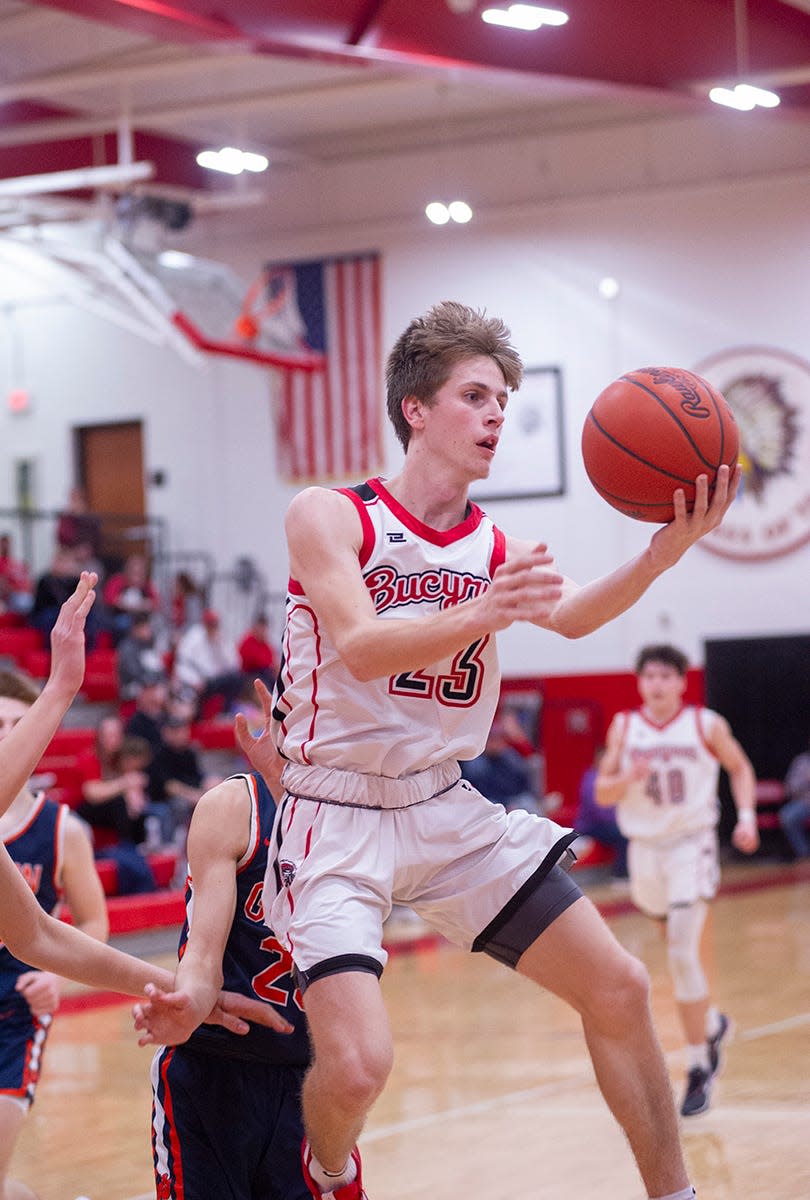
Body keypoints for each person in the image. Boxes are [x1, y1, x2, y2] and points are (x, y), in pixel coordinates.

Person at [260, 300, 741, 1200]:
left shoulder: (495, 544)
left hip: (444, 806)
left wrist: (661, 556)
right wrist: (488, 608)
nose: (496, 415)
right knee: (360, 1067)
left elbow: (569, 617)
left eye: (504, 400)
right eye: (476, 395)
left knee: (622, 988)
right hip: (333, 812)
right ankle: (328, 1172)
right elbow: (362, 645)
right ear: (416, 408)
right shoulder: (330, 515)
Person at [0, 576, 298, 1069]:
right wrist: (57, 691)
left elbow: (38, 935)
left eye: (15, 724)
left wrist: (193, 996)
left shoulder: (57, 826)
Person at [132, 679, 312, 1200]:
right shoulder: (234, 806)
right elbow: (204, 953)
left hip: (309, 1076)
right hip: (213, 1069)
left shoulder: (359, 817)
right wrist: (188, 998)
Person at [595, 643, 758, 1118]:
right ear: (640, 682)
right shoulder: (625, 728)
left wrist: (745, 817)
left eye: (666, 676)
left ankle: (699, 1066)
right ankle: (710, 1021)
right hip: (645, 851)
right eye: (649, 677)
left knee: (684, 953)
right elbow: (603, 792)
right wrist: (627, 776)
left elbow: (741, 767)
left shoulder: (706, 724)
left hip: (692, 846)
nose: (657, 685)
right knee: (675, 950)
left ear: (682, 682)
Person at [0, 665, 109, 1200]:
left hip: (13, 1017)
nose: (7, 736)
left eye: (18, 724)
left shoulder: (62, 828)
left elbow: (95, 924)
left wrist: (55, 981)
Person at [76, 716, 157, 894]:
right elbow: (91, 793)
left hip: (111, 823)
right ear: (99, 737)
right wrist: (126, 785)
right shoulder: (89, 757)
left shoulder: (119, 761)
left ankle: (138, 843)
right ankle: (129, 844)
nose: (113, 740)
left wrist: (133, 792)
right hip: (84, 817)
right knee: (120, 800)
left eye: (117, 735)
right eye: (109, 735)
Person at [460, 713, 540, 812]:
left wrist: (512, 803)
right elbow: (479, 791)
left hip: (513, 799)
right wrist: (505, 804)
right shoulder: (474, 763)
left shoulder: (510, 757)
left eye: (499, 739)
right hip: (488, 800)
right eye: (492, 740)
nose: (496, 743)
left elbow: (522, 783)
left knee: (528, 803)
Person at [173, 608, 243, 716]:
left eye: (215, 624)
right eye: (210, 624)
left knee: (236, 678)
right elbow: (183, 663)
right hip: (196, 680)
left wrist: (219, 645)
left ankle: (225, 713)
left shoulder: (222, 638)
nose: (212, 627)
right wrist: (194, 681)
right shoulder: (193, 637)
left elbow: (235, 664)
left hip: (214, 679)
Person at [574, 746, 629, 880]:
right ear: (599, 760)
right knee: (622, 833)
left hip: (605, 823)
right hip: (590, 827)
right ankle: (620, 875)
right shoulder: (592, 779)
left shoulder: (613, 779)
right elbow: (600, 812)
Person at [102, 552, 160, 644]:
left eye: (140, 572)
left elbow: (155, 603)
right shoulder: (117, 581)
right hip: (120, 618)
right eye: (134, 572)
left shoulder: (147, 585)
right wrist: (128, 605)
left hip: (143, 620)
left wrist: (144, 605)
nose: (136, 577)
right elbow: (110, 599)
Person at [116, 611, 169, 701]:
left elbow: (159, 668)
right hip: (132, 686)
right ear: (136, 629)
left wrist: (161, 682)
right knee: (158, 694)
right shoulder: (127, 648)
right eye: (146, 628)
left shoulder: (150, 644)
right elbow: (135, 674)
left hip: (151, 683)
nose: (149, 631)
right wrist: (154, 684)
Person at [778, 738, 810, 859]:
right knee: (787, 816)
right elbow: (789, 788)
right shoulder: (801, 762)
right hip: (804, 803)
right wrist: (805, 781)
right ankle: (804, 854)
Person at [238, 612, 278, 691]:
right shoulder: (248, 641)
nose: (262, 631)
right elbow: (252, 661)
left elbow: (273, 663)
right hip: (249, 675)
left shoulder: (266, 644)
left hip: (263, 674)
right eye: (261, 627)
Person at [0, 533, 33, 615]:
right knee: (24, 603)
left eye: (7, 544)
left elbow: (28, 580)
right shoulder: (1, 563)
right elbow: (3, 585)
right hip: (12, 597)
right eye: (3, 544)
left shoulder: (16, 563)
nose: (6, 547)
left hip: (24, 595)